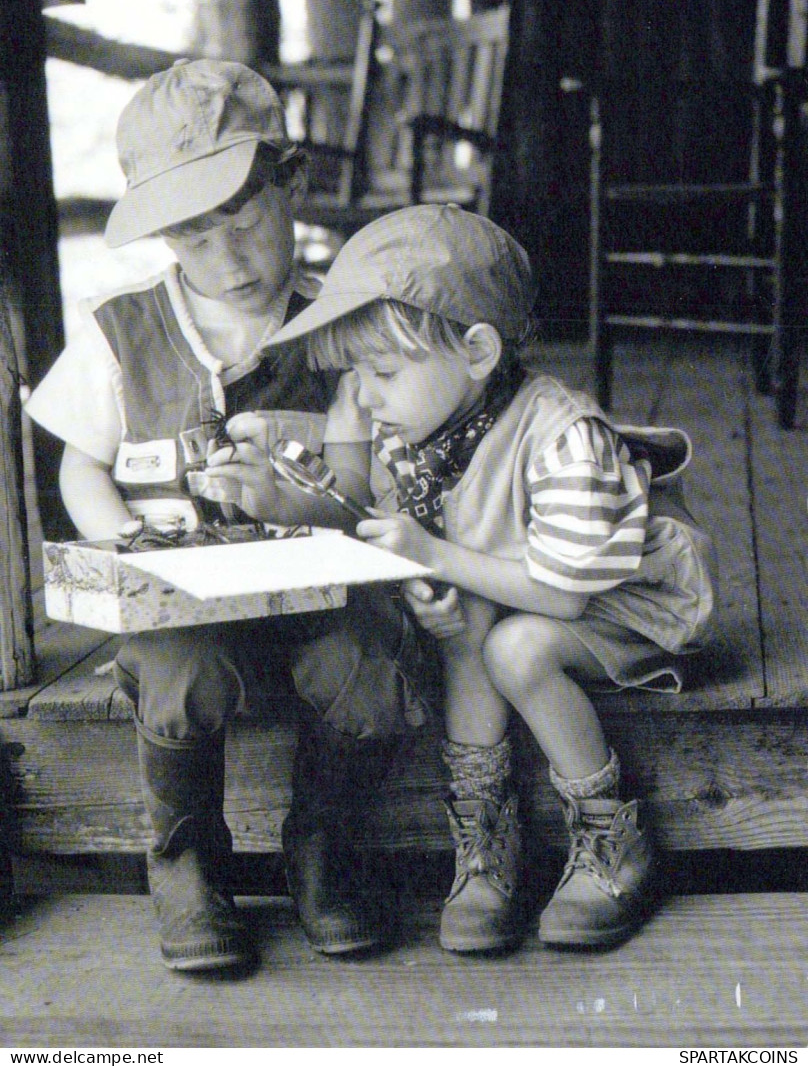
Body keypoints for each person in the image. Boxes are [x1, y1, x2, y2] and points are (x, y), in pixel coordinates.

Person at [24, 60, 424, 973]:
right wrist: (120, 546)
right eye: (197, 239)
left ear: (295, 183)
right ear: (165, 238)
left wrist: (317, 490)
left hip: (319, 594)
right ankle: (188, 866)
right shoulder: (125, 332)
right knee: (174, 668)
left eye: (247, 223)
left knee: (368, 665)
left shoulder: (341, 321)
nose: (231, 259)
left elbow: (376, 482)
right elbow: (80, 459)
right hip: (186, 605)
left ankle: (321, 850)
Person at [267, 203, 718, 953]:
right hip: (522, 586)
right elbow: (456, 541)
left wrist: (439, 558)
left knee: (515, 648)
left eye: (381, 371)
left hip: (623, 599)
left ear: (477, 350)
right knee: (473, 624)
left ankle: (612, 838)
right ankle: (485, 845)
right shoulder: (425, 427)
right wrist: (429, 580)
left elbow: (566, 590)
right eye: (356, 375)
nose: (366, 397)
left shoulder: (563, 436)